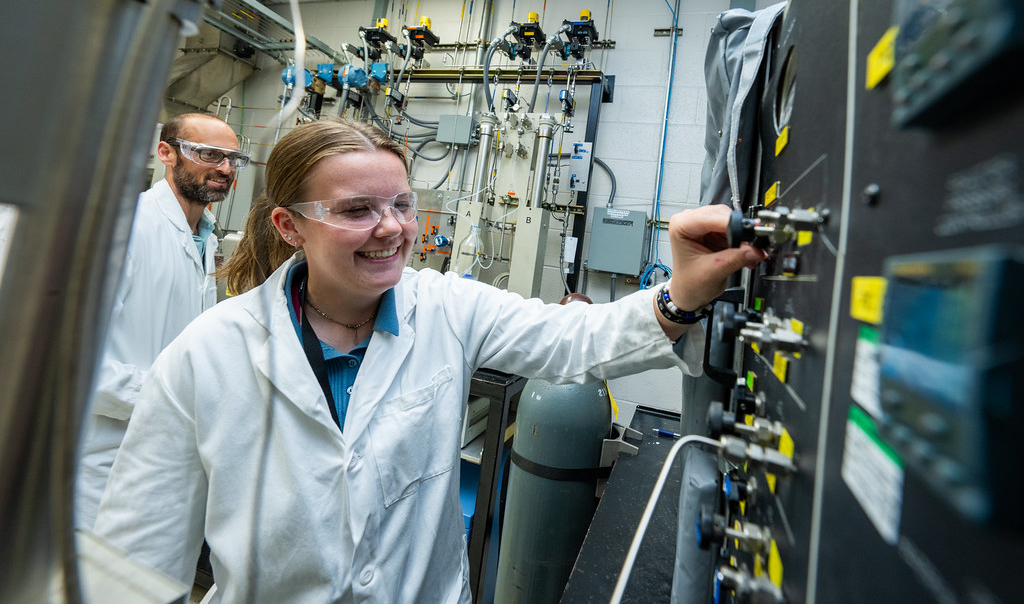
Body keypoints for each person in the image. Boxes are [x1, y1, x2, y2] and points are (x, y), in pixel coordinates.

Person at [94, 120, 766, 602]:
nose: (392, 227)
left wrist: (680, 294)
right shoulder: (205, 355)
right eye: (357, 209)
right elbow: (136, 561)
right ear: (289, 226)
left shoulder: (446, 308)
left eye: (402, 204)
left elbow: (572, 338)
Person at [76, 113, 248, 529]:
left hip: (167, 459)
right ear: (166, 153)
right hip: (103, 462)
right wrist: (172, 400)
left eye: (232, 159)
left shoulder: (203, 235)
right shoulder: (124, 226)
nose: (224, 168)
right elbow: (69, 363)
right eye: (209, 154)